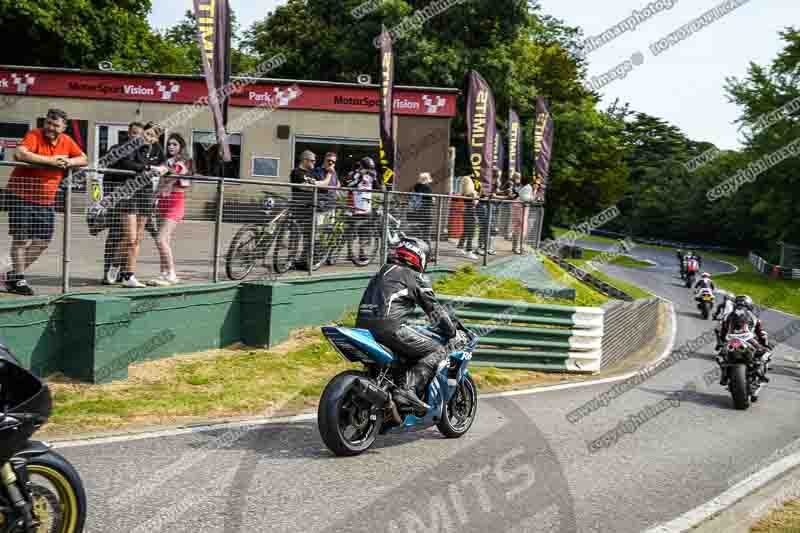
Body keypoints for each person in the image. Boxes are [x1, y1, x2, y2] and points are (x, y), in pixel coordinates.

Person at [355, 237, 457, 410]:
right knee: (439, 350)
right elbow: (434, 310)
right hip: (389, 329)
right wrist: (451, 330)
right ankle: (406, 390)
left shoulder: (382, 271)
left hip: (362, 327)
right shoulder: (415, 277)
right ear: (419, 257)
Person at [5, 108, 88, 295]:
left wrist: (69, 163)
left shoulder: (66, 141)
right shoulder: (34, 134)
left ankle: (13, 275)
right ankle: (18, 279)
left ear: (64, 127)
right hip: (21, 195)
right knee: (20, 239)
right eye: (48, 123)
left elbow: (84, 158)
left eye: (55, 125)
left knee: (42, 242)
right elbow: (20, 154)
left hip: (46, 200)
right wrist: (51, 161)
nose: (50, 128)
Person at [112, 122, 169, 288]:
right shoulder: (134, 145)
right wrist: (149, 168)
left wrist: (163, 169)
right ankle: (121, 269)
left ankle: (125, 273)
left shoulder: (157, 148)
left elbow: (165, 165)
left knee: (137, 238)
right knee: (130, 238)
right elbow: (128, 164)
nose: (149, 138)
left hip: (145, 193)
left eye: (153, 136)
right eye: (147, 134)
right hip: (129, 191)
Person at [102, 121, 144, 286]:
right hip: (118, 197)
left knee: (130, 238)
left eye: (139, 134)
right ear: (128, 133)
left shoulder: (140, 150)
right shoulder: (119, 148)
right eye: (134, 133)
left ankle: (121, 273)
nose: (136, 137)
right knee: (116, 236)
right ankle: (109, 272)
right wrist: (145, 167)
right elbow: (127, 165)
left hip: (135, 198)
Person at [148, 133, 192, 286]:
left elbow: (174, 174)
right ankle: (163, 273)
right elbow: (160, 183)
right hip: (162, 204)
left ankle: (172, 274)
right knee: (164, 241)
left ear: (181, 147)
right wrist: (153, 200)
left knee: (160, 238)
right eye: (169, 144)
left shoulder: (182, 163)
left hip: (175, 205)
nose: (171, 147)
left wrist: (160, 170)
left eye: (175, 144)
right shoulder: (166, 162)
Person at [717, 295, 771, 385]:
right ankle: (760, 375)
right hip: (748, 339)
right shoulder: (754, 317)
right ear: (749, 305)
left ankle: (724, 377)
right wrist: (765, 344)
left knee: (721, 357)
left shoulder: (727, 316)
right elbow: (760, 333)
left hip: (731, 340)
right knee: (765, 353)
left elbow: (723, 332)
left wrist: (722, 341)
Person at [290, 150, 326, 269]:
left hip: (310, 209)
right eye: (312, 160)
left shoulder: (312, 174)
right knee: (296, 237)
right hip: (299, 209)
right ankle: (291, 260)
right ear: (305, 160)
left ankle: (304, 261)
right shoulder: (296, 172)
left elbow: (323, 186)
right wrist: (315, 186)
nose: (314, 163)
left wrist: (317, 185)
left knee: (309, 236)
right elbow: (304, 187)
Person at [342, 157, 382, 262]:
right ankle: (350, 252)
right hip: (353, 208)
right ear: (362, 166)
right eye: (367, 168)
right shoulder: (353, 174)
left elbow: (378, 188)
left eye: (370, 168)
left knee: (364, 232)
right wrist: (360, 176)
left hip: (366, 208)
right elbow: (347, 185)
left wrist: (376, 178)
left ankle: (362, 252)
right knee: (350, 231)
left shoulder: (371, 176)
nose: (369, 170)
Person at [456, 175, 478, 259]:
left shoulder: (463, 193)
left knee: (466, 231)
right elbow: (475, 203)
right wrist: (476, 196)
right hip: (471, 212)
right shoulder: (472, 193)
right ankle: (469, 251)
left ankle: (460, 247)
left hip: (465, 212)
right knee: (471, 232)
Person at [411, 172, 434, 245]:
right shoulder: (427, 187)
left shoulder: (416, 187)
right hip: (426, 212)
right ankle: (428, 251)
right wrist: (433, 199)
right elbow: (430, 200)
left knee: (419, 232)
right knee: (427, 233)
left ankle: (419, 248)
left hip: (417, 211)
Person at [512, 174, 533, 254]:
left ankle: (517, 247)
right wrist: (532, 198)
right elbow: (525, 198)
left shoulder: (521, 186)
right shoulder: (527, 187)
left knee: (517, 227)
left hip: (518, 207)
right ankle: (518, 247)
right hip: (521, 208)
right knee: (521, 228)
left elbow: (519, 196)